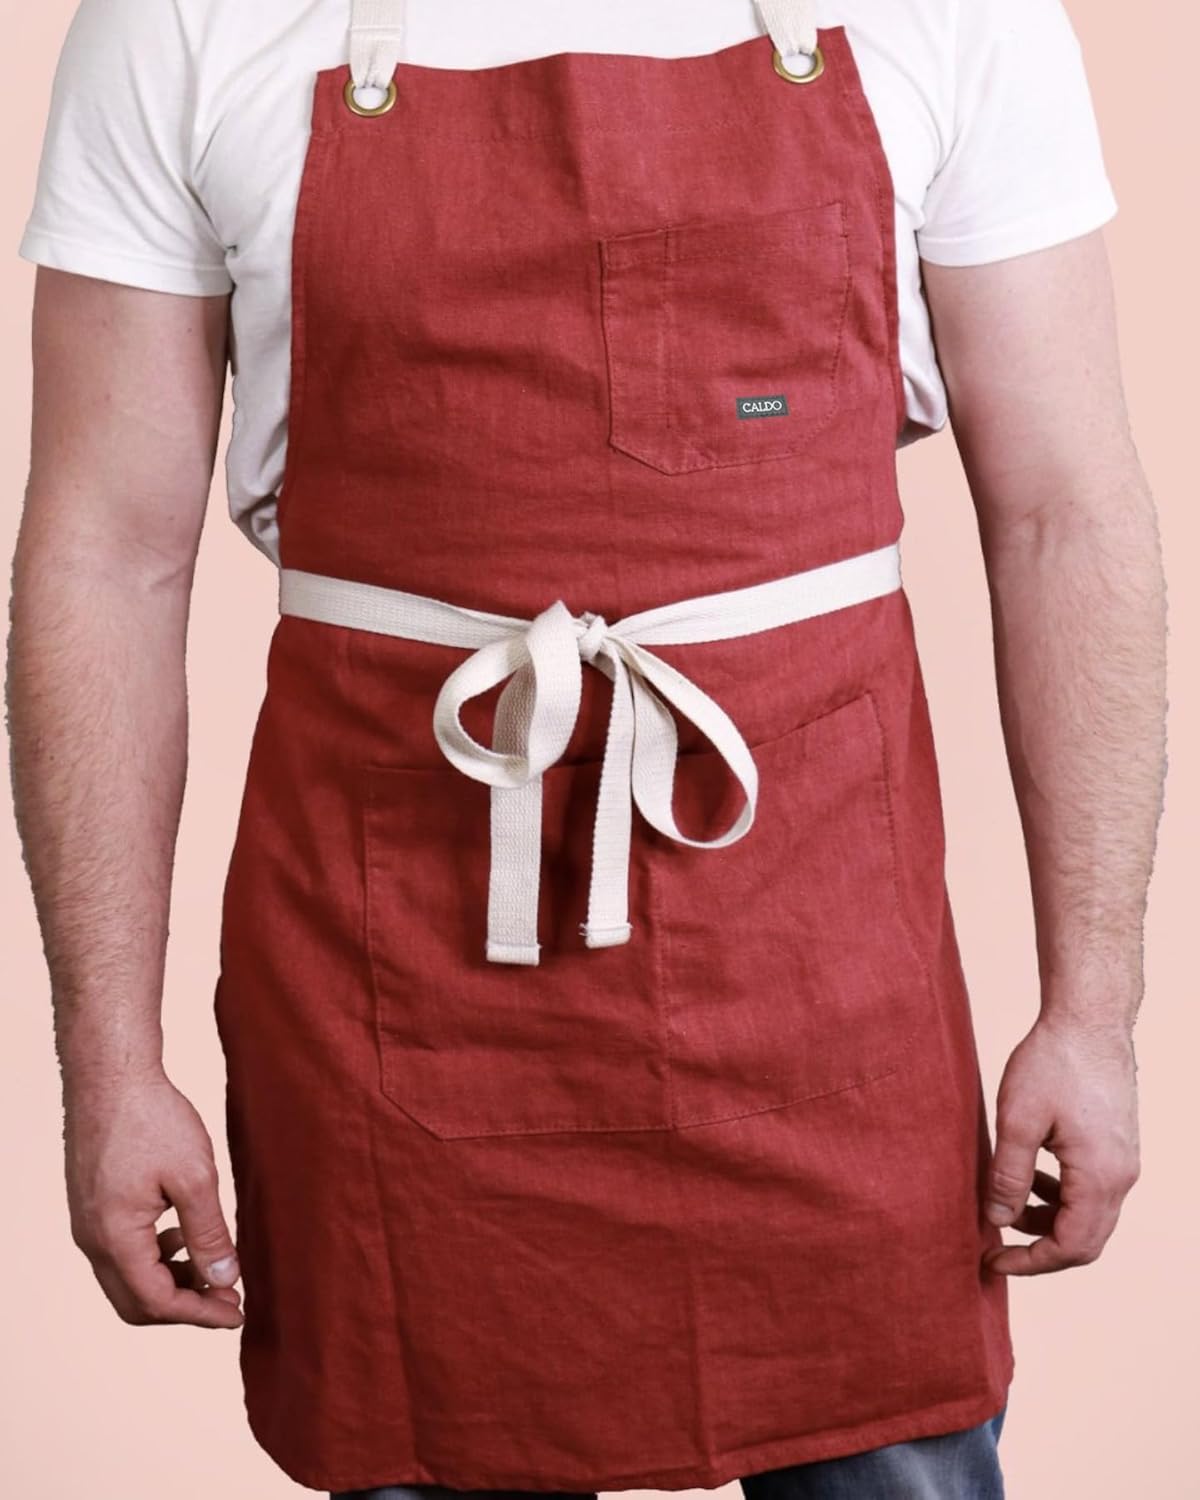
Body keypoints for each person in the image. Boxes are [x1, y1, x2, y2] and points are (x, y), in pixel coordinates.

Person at [7, 0, 1165, 1497]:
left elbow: (1069, 518)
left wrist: (1094, 1012)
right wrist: (108, 1065)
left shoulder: (948, 13)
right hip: (393, 976)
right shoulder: (183, 21)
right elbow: (105, 560)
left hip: (824, 978)